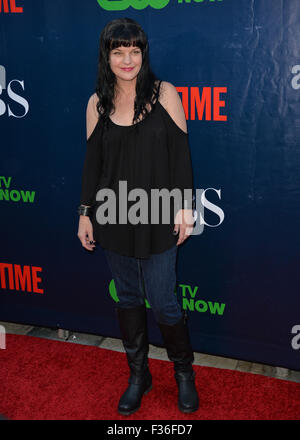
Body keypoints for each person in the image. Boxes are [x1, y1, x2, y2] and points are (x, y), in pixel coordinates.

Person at [77, 18, 199, 416]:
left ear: (143, 53)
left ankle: (183, 374)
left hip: (159, 215)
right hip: (113, 217)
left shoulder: (165, 94)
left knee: (164, 303)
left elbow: (181, 156)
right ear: (107, 56)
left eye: (134, 50)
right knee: (128, 299)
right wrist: (85, 214)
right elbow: (92, 168)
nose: (127, 59)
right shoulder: (96, 103)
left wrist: (184, 205)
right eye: (118, 51)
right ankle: (138, 375)